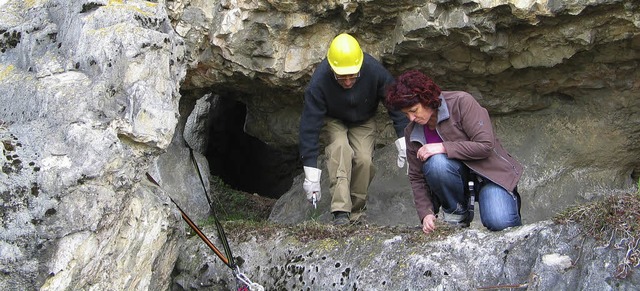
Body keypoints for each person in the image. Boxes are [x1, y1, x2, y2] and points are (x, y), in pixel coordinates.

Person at [384, 70, 523, 234]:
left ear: (426, 99)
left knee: (500, 222)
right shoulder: (411, 132)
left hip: (490, 176)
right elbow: (416, 176)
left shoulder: (461, 102)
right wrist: (426, 214)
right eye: (406, 114)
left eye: (414, 110)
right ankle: (455, 213)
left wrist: (442, 147)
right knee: (436, 163)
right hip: (454, 182)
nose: (411, 118)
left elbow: (485, 145)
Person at [299, 33, 409, 225]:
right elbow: (309, 126)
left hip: (364, 119)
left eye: (352, 76)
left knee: (364, 160)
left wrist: (404, 139)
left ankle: (357, 211)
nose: (348, 82)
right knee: (340, 149)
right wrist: (311, 174)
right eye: (342, 77)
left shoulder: (373, 69)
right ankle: (341, 211)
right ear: (332, 68)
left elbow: (395, 102)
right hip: (334, 118)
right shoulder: (319, 81)